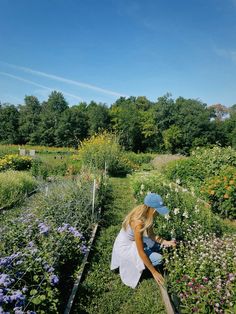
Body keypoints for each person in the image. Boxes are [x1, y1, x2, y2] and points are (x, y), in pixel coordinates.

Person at [110, 193, 176, 289]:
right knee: (159, 259)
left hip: (134, 241)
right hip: (126, 248)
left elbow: (151, 235)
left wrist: (166, 242)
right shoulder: (138, 224)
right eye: (158, 211)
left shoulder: (145, 214)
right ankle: (145, 267)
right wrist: (154, 272)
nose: (159, 214)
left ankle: (150, 255)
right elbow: (141, 252)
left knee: (158, 246)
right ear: (152, 210)